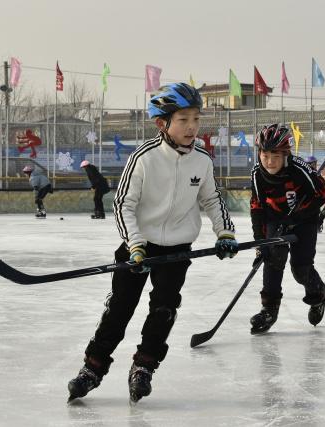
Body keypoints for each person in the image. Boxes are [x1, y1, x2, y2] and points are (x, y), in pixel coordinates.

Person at [67, 83, 237, 404]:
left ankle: (144, 366)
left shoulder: (202, 160)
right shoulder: (143, 158)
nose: (192, 127)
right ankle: (93, 367)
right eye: (183, 120)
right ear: (162, 123)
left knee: (164, 309)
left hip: (176, 249)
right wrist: (135, 244)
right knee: (119, 309)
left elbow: (212, 200)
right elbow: (123, 205)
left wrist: (224, 232)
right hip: (137, 246)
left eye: (196, 119)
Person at [249, 123, 325, 334]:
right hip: (275, 219)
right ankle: (269, 309)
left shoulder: (299, 169)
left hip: (305, 222)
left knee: (300, 269)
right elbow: (257, 206)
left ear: (286, 154)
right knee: (272, 260)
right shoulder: (257, 174)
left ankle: (318, 295)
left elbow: (322, 194)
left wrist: (297, 216)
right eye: (264, 155)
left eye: (275, 155)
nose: (269, 161)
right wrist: (260, 241)